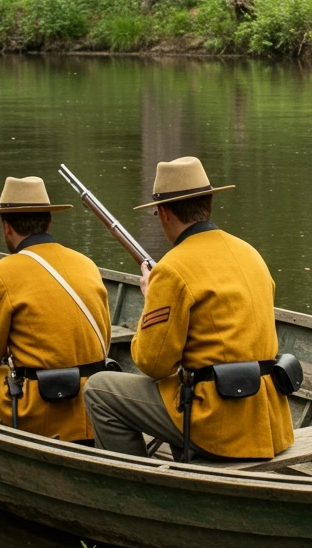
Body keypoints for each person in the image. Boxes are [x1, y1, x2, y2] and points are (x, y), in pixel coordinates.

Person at [83, 156, 294, 461]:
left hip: (217, 421)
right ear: (208, 203)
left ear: (165, 213)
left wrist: (149, 300)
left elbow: (153, 363)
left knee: (100, 389)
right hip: (270, 423)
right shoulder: (251, 253)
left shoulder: (171, 269)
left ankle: (134, 485)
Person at [0, 177, 111, 442]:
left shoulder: (1, 273)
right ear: (49, 220)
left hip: (40, 405)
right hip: (92, 402)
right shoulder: (86, 264)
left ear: (6, 226)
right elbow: (104, 342)